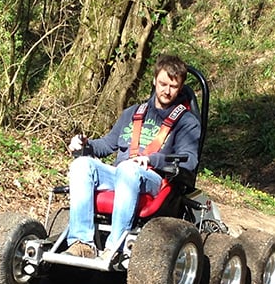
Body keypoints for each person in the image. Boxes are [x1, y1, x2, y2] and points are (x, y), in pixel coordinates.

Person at [64, 54, 202, 261]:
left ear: (180, 87)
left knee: (129, 170)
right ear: (154, 80)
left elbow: (189, 160)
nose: (166, 90)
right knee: (81, 165)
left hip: (155, 180)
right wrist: (85, 145)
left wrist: (152, 161)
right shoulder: (132, 113)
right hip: (120, 173)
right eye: (163, 83)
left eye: (173, 86)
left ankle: (115, 247)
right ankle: (82, 243)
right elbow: (108, 144)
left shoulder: (187, 122)